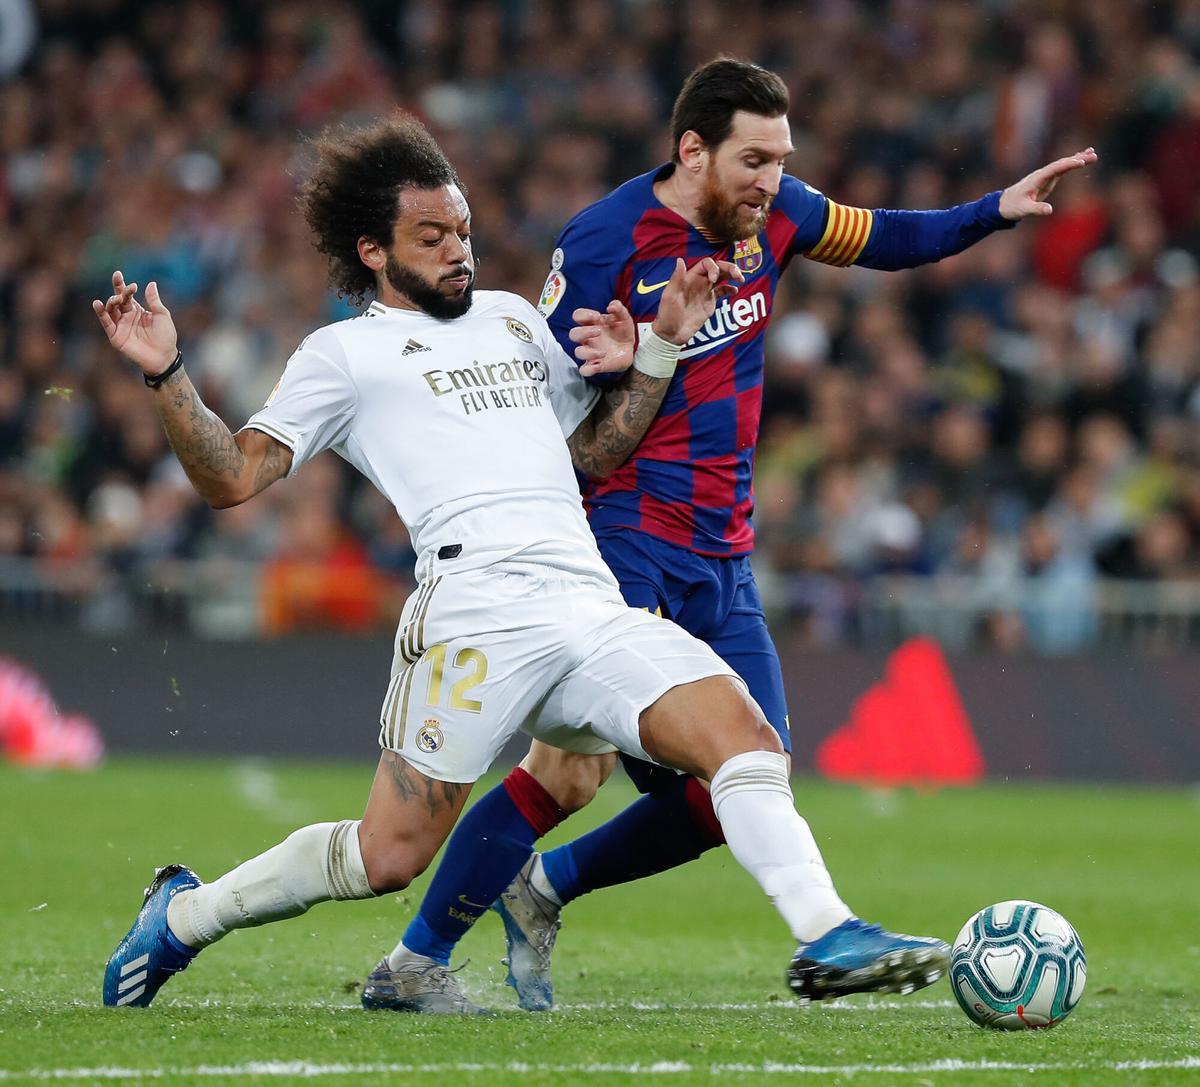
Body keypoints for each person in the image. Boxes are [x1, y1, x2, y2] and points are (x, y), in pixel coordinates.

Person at [94, 113, 950, 1013]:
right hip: (473, 609)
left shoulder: (512, 321)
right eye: (431, 238)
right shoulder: (343, 356)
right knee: (389, 857)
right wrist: (168, 373)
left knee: (743, 736)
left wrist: (651, 353)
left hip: (586, 599)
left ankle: (826, 934)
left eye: (461, 230)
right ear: (374, 252)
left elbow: (594, 455)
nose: (458, 251)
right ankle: (186, 916)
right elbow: (233, 477)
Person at [392, 58, 1098, 1013]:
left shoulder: (780, 215)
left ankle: (543, 887)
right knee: (571, 770)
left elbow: (881, 236)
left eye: (782, 159)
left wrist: (994, 210)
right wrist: (608, 363)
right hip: (622, 545)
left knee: (744, 772)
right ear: (693, 151)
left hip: (724, 558)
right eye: (756, 159)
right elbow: (542, 404)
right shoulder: (605, 240)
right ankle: (416, 959)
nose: (774, 180)